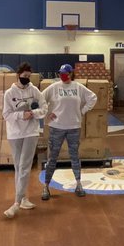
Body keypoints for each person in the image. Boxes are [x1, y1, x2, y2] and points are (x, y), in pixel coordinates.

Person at [41, 63, 97, 199]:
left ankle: (78, 184)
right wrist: (47, 112)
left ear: (71, 73)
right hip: (56, 127)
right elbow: (40, 99)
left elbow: (93, 98)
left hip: (74, 127)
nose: (62, 75)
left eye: (65, 73)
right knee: (52, 157)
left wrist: (82, 111)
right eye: (60, 73)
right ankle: (46, 187)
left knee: (75, 156)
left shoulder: (78, 87)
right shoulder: (54, 87)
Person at [3, 62, 46, 218]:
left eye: (29, 77)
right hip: (15, 134)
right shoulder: (9, 93)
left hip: (31, 133)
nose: (26, 79)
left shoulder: (34, 90)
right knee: (18, 168)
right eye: (24, 76)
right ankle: (23, 198)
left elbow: (44, 107)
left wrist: (33, 113)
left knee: (25, 166)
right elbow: (6, 115)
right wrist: (22, 115)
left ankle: (17, 201)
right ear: (18, 75)